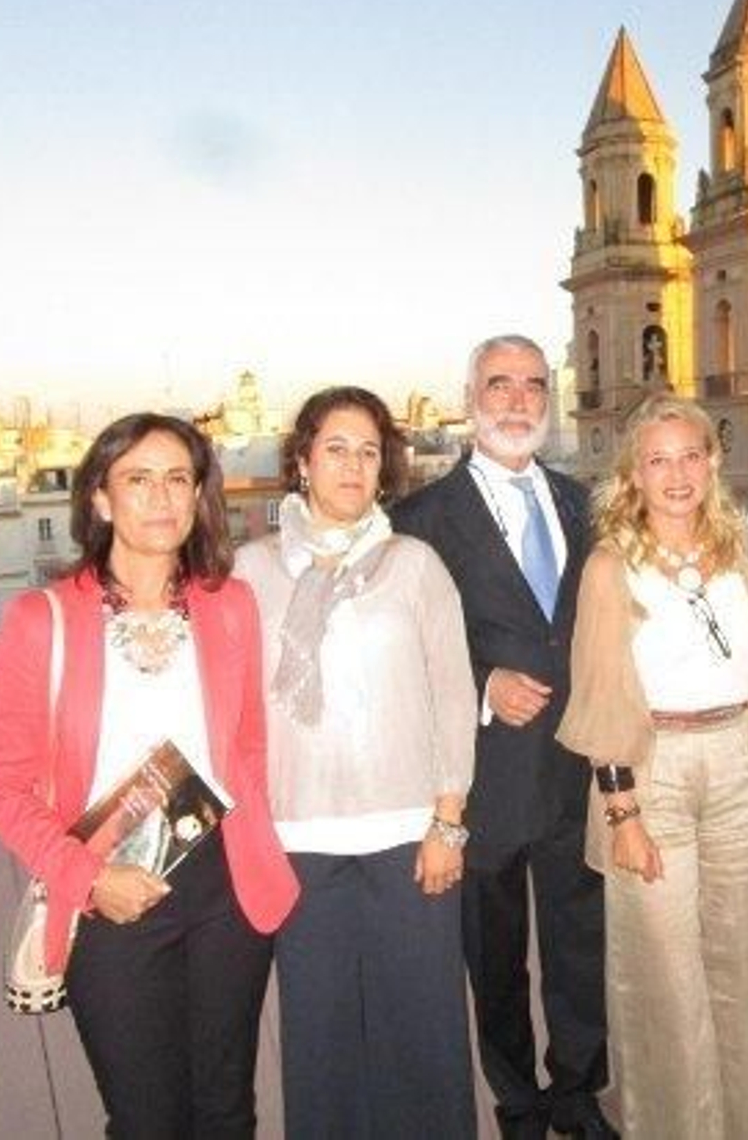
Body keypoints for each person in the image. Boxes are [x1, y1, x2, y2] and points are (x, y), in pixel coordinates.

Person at [0, 413, 298, 1139]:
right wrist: (85, 877)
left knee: (226, 1112)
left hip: (225, 889)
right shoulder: (42, 619)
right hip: (109, 892)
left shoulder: (229, 605)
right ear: (100, 498)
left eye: (178, 478)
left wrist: (260, 847)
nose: (161, 497)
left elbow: (246, 749)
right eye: (139, 479)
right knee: (148, 1120)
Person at [235, 386, 479, 1137]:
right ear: (302, 462)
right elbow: (231, 707)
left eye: (368, 451)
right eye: (335, 448)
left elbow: (453, 697)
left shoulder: (413, 564)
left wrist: (449, 824)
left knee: (426, 1036)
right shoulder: (252, 569)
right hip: (300, 844)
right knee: (323, 1044)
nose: (352, 464)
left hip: (412, 839)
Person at [393, 335, 613, 1140]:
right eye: (499, 384)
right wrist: (486, 679)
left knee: (578, 947)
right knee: (494, 960)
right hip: (479, 777)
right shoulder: (420, 519)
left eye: (531, 385)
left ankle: (578, 1093)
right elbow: (407, 642)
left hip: (574, 770)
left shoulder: (584, 502)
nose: (517, 401)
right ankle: (519, 1103)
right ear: (468, 395)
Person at [559, 395, 748, 1139]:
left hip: (738, 763)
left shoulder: (741, 550)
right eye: (658, 460)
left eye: (690, 454)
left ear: (714, 460)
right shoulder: (611, 565)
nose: (677, 473)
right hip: (648, 768)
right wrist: (623, 815)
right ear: (634, 474)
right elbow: (599, 697)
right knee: (665, 980)